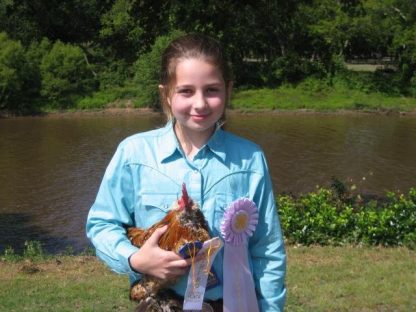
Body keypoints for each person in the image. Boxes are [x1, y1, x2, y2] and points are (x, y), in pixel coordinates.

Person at [86, 33, 286, 311]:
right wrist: (135, 259)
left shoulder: (250, 159)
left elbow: (267, 249)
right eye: (186, 91)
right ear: (166, 94)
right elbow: (101, 224)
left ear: (228, 89)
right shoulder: (133, 153)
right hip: (158, 303)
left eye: (212, 90)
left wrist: (271, 308)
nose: (200, 103)